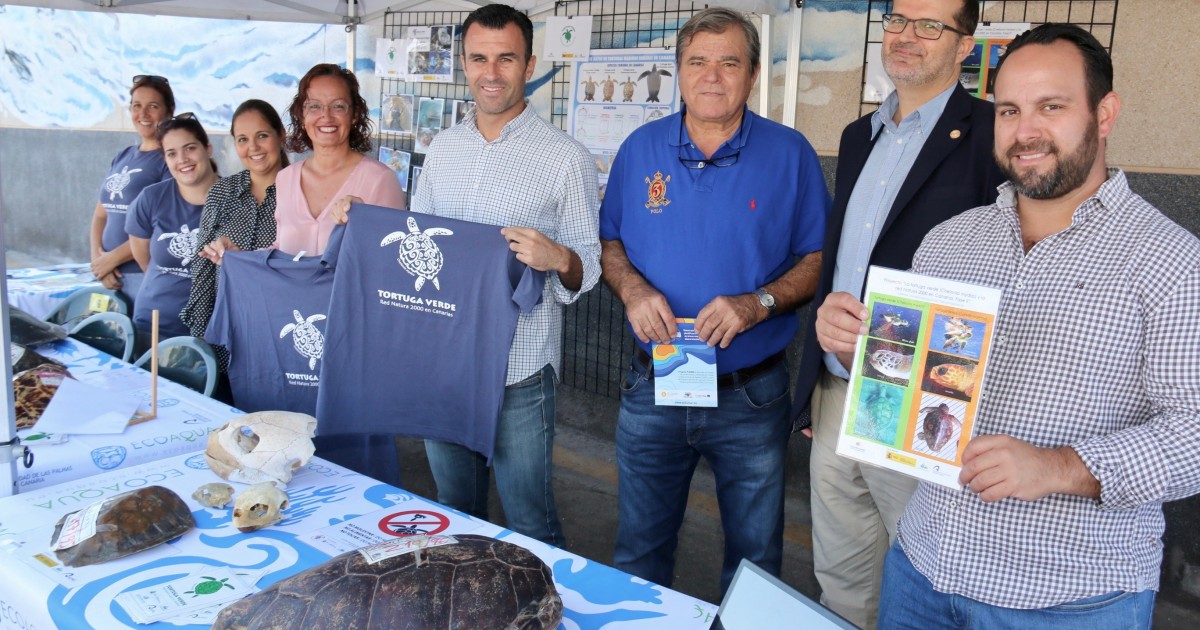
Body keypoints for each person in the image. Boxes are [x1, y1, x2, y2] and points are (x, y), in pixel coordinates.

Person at [841, 24, 1200, 628]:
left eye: (1051, 107)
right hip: (923, 565)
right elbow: (912, 390)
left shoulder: (1170, 261)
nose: (1026, 130)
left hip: (1069, 600)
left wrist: (1059, 467)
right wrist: (864, 346)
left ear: (1104, 113)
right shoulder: (951, 243)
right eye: (1009, 110)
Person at [335, 4, 600, 546]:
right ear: (463, 62)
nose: (492, 72)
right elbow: (420, 239)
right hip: (446, 366)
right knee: (456, 513)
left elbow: (588, 268)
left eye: (506, 58)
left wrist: (559, 259)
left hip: (519, 370)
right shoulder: (444, 149)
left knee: (530, 520)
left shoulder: (566, 158)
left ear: (529, 65)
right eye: (479, 58)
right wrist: (366, 222)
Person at [599, 8, 829, 593]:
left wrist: (758, 303)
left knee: (755, 564)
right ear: (677, 71)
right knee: (639, 554)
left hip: (750, 395)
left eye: (729, 62)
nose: (712, 76)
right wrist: (632, 288)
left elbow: (816, 261)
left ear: (753, 74)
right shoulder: (640, 148)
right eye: (697, 61)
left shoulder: (791, 153)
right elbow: (611, 242)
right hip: (653, 384)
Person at [791, 1, 1004, 626]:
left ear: (966, 46)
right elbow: (843, 263)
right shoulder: (861, 134)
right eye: (898, 21)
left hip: (920, 408)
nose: (908, 37)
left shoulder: (992, 136)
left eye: (930, 26)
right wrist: (817, 374)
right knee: (844, 577)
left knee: (923, 579)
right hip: (838, 393)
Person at [182, 100, 289, 359]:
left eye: (262, 136)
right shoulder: (222, 192)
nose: (253, 147)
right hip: (225, 332)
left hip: (278, 331)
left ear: (281, 136)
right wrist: (201, 334)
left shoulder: (299, 192)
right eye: (242, 139)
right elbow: (204, 266)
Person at [275, 63, 405, 257]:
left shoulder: (380, 179)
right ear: (302, 115)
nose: (326, 116)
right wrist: (238, 256)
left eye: (338, 106)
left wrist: (365, 222)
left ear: (354, 115)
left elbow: (395, 257)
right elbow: (280, 250)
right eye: (314, 106)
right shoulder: (285, 179)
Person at [125, 114, 219, 343]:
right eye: (172, 153)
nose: (183, 159)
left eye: (190, 148)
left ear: (207, 148)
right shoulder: (151, 197)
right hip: (152, 325)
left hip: (211, 333)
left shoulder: (235, 200)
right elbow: (143, 256)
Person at [90, 75, 175, 304]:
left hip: (141, 275)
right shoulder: (124, 155)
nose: (143, 114)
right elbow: (101, 214)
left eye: (153, 106)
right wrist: (98, 260)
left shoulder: (170, 160)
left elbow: (162, 227)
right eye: (137, 106)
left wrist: (112, 260)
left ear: (169, 110)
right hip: (109, 275)